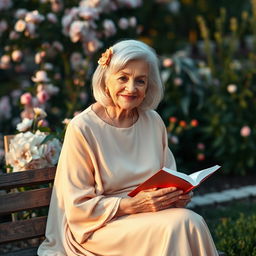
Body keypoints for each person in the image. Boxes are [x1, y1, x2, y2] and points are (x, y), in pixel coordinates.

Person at [38, 39, 219, 256]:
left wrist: (177, 196)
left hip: (149, 218)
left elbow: (169, 177)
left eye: (140, 81)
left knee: (191, 221)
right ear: (106, 80)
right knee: (179, 226)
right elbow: (77, 208)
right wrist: (132, 205)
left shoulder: (152, 121)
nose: (131, 88)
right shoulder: (83, 128)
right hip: (97, 227)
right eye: (123, 78)